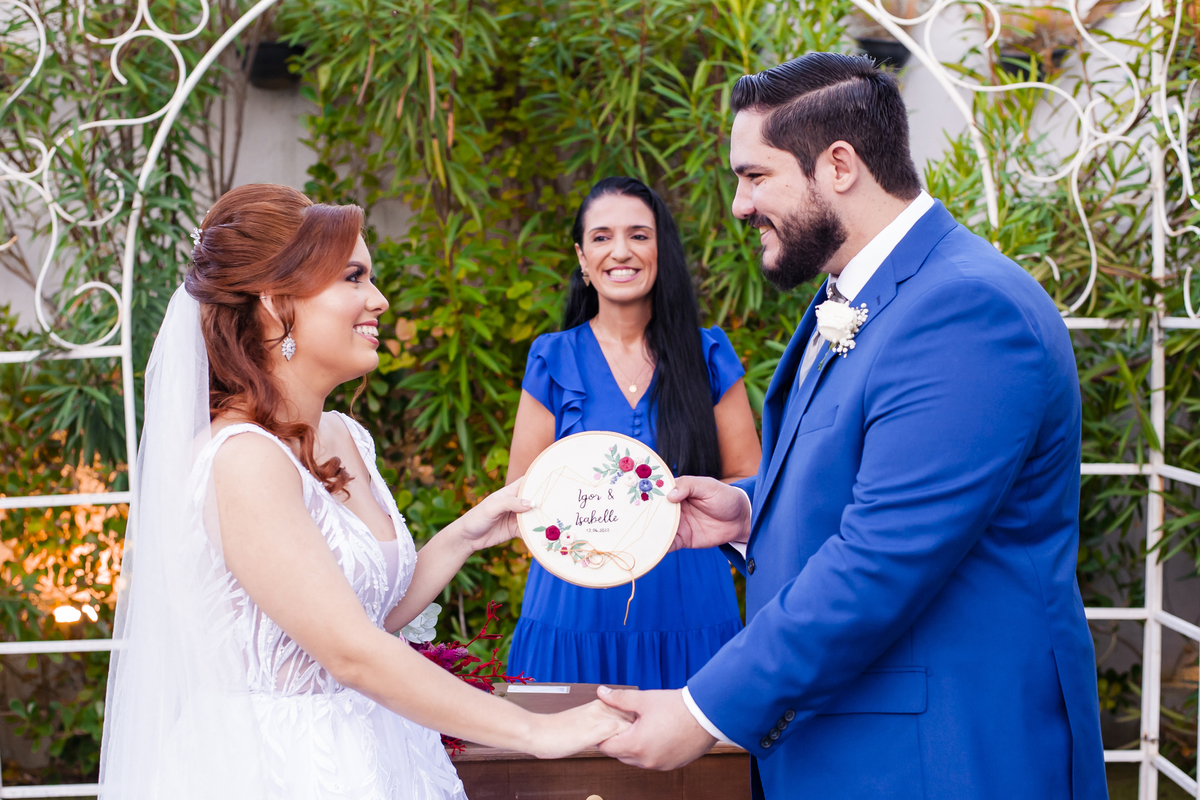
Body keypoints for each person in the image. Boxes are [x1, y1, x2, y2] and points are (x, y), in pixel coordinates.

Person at [596, 54, 1108, 799]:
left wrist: (703, 709)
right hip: (854, 745)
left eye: (755, 175)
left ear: (838, 164)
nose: (739, 204)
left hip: (941, 758)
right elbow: (876, 481)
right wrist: (750, 512)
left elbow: (883, 558)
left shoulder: (968, 311)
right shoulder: (858, 296)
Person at [98, 184, 629, 800]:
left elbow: (367, 616)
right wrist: (537, 732)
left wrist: (467, 534)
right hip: (281, 767)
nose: (378, 299)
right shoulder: (242, 460)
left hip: (382, 751)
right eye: (353, 278)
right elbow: (349, 652)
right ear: (275, 302)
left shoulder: (345, 435)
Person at [505, 176, 761, 690]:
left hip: (691, 607)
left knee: (702, 770)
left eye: (639, 235)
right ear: (582, 257)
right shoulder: (552, 358)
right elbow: (520, 497)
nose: (620, 251)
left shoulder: (708, 354)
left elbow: (750, 480)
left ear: (661, 248)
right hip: (573, 612)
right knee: (565, 769)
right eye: (601, 237)